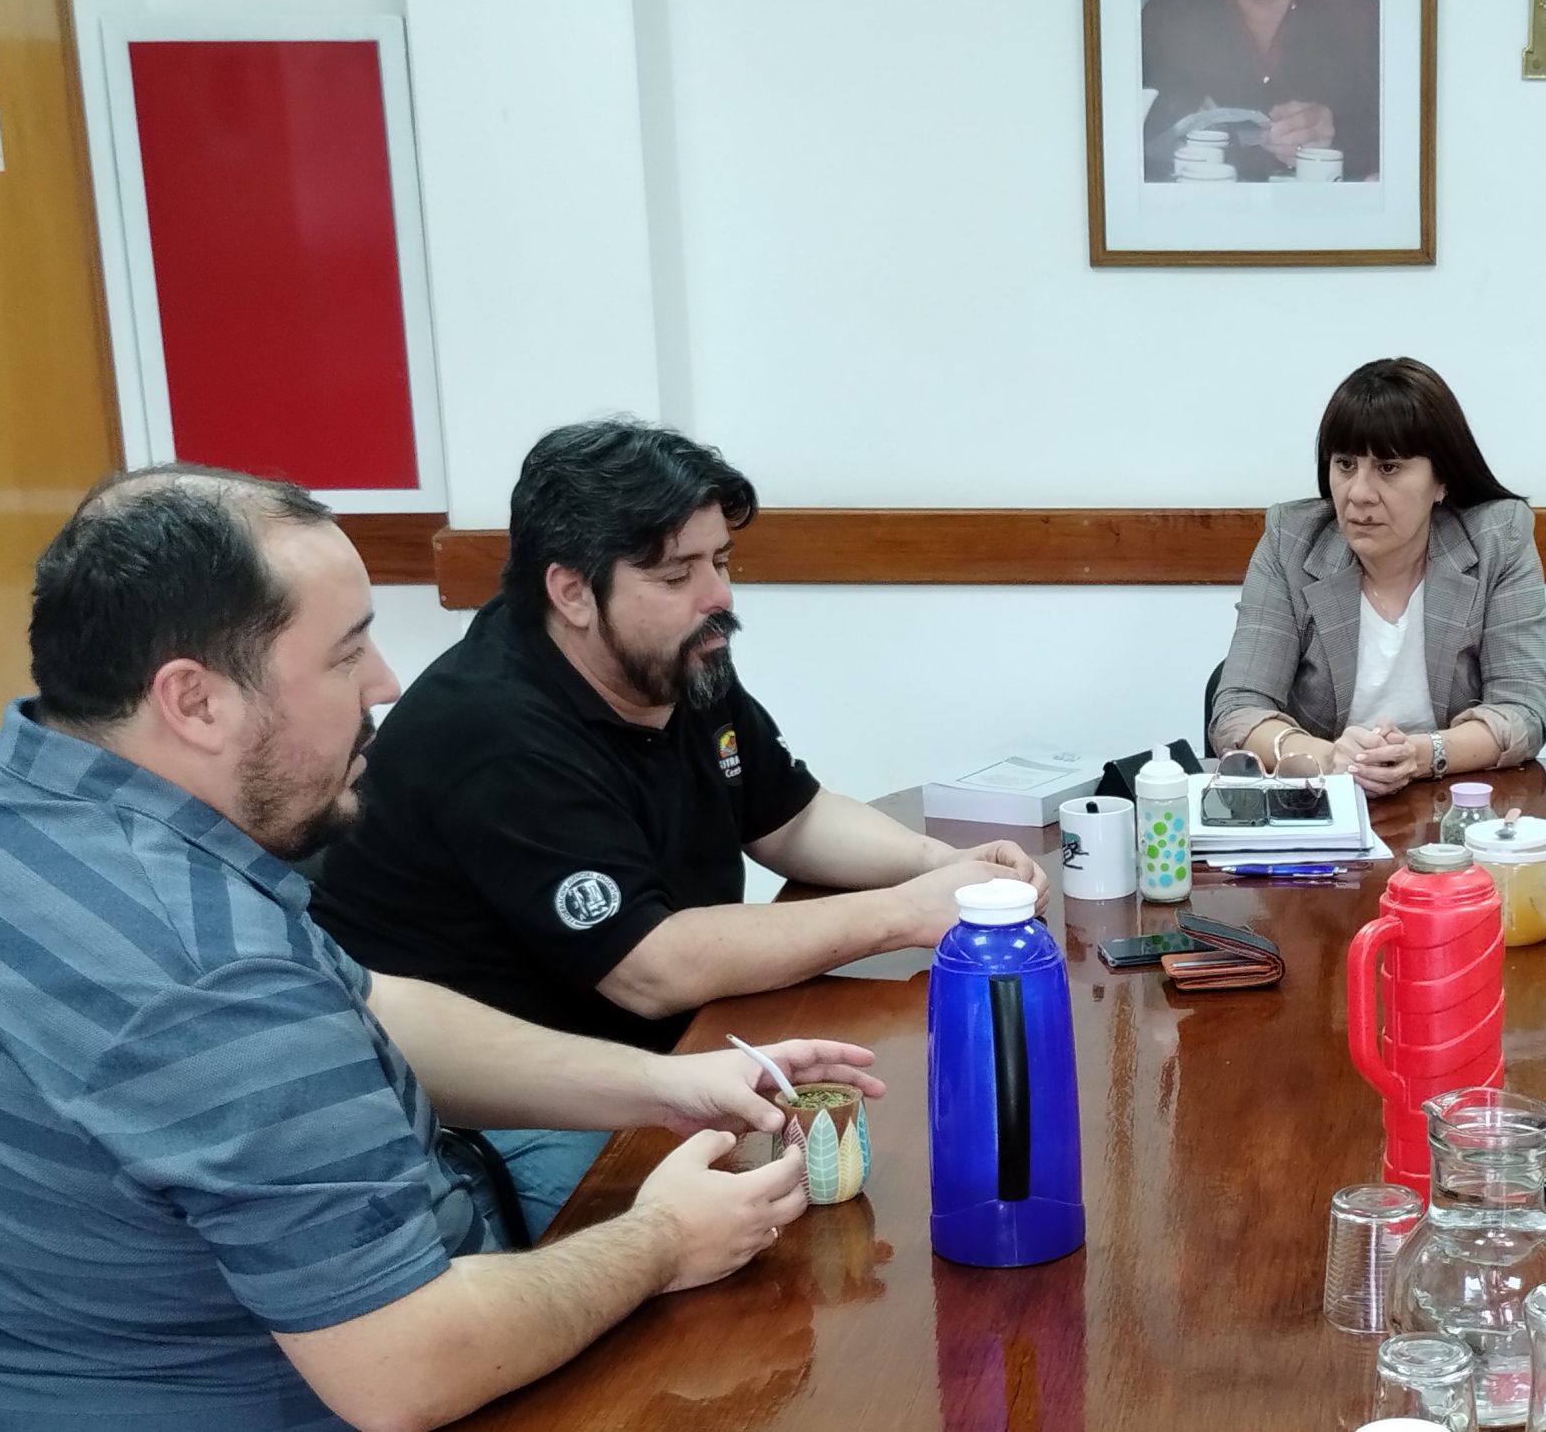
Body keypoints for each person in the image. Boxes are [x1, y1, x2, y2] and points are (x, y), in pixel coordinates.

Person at [0, 465, 882, 1432]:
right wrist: (658, 1242)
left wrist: (659, 1086)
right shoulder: (208, 975)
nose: (386, 683)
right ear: (195, 701)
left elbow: (366, 1009)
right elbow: (409, 1367)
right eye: (347, 653)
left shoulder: (6, 808)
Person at [310, 420, 1042, 1236]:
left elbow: (790, 817)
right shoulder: (489, 728)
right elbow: (648, 968)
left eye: (721, 562)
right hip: (517, 1097)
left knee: (901, 1147)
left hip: (672, 1052)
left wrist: (940, 863)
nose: (718, 597)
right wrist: (907, 912)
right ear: (572, 592)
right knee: (778, 1249)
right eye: (676, 574)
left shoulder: (671, 658)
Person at [1209, 357, 1546, 798]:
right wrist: (1329, 759)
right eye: (1345, 465)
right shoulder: (1290, 542)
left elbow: (1522, 711)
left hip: (1452, 813)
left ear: (1441, 479)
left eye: (1388, 468)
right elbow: (1238, 711)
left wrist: (1420, 754)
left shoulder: (1496, 540)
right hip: (1319, 811)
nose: (1359, 493)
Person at [1141, 0, 1380, 182]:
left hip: (1336, 218)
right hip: (1207, 218)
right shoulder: (1169, 14)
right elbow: (1127, 150)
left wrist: (1340, 139)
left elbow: (1415, 142)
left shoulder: (1370, 3)